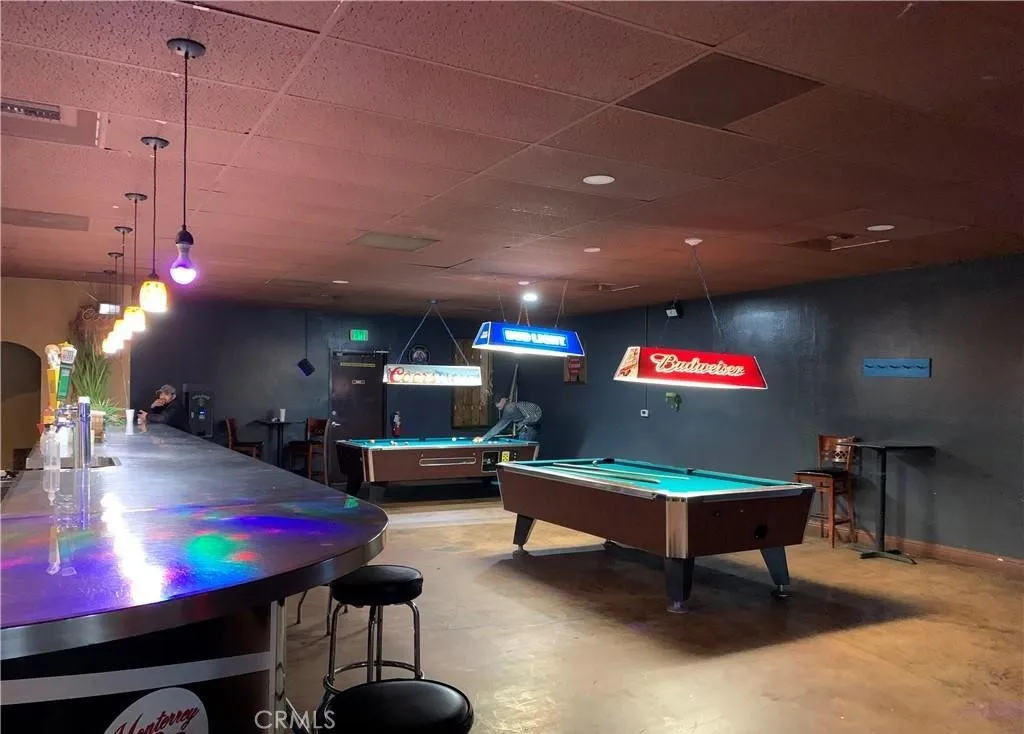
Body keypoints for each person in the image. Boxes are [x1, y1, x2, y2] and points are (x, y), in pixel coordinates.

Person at [474, 396, 542, 443]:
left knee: (522, 453)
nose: (498, 407)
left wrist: (484, 438)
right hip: (532, 429)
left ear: (503, 400)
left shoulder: (509, 408)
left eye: (498, 403)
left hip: (527, 431)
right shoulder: (513, 405)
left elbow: (500, 426)